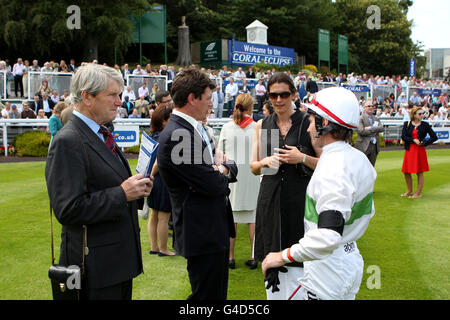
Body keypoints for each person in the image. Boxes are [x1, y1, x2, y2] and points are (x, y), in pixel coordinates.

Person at [45, 63, 153, 300]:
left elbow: (108, 184)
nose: (119, 102)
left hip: (117, 264)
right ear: (87, 97)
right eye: (112, 95)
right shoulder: (69, 140)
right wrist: (122, 193)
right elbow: (67, 209)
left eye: (120, 95)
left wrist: (136, 189)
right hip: (93, 270)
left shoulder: (101, 133)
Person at [262, 86, 377, 300]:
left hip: (329, 266)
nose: (308, 128)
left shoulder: (333, 167)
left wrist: (282, 256)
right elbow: (367, 212)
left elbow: (328, 236)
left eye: (312, 121)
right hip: (349, 258)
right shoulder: (359, 159)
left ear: (325, 124)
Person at [157, 67, 238, 300]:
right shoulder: (177, 135)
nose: (211, 104)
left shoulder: (192, 129)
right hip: (202, 232)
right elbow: (215, 184)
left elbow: (225, 168)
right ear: (192, 99)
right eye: (208, 98)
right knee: (207, 299)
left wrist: (220, 168)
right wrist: (221, 169)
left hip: (210, 228)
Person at [250, 72, 320, 300]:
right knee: (272, 254)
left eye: (284, 94)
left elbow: (327, 164)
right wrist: (265, 162)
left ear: (293, 94)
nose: (279, 100)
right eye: (273, 95)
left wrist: (301, 158)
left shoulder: (308, 122)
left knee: (300, 255)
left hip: (300, 198)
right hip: (270, 198)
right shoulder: (261, 125)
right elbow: (253, 166)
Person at [218, 93, 261, 270]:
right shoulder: (259, 128)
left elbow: (220, 155)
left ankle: (230, 257)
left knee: (231, 218)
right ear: (251, 107)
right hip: (252, 175)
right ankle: (253, 255)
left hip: (232, 176)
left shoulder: (227, 127)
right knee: (253, 218)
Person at [147, 104, 176, 257]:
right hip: (162, 179)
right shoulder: (167, 137)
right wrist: (151, 175)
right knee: (163, 216)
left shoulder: (151, 136)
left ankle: (154, 247)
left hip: (153, 179)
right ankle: (163, 249)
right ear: (164, 121)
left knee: (154, 214)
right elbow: (159, 163)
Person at [401, 107, 438, 199]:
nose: (422, 115)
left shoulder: (425, 125)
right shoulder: (407, 124)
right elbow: (403, 136)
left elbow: (434, 137)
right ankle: (409, 190)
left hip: (419, 150)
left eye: (423, 113)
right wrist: (413, 140)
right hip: (409, 150)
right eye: (420, 114)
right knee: (406, 171)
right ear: (414, 115)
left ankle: (418, 193)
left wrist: (424, 143)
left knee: (419, 172)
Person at [354, 100, 385, 167]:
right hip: (363, 145)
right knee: (362, 167)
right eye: (369, 106)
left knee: (371, 167)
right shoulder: (360, 118)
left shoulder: (376, 118)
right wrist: (375, 130)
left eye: (372, 106)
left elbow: (382, 128)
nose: (371, 107)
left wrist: (371, 128)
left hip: (374, 146)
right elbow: (361, 131)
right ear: (364, 108)